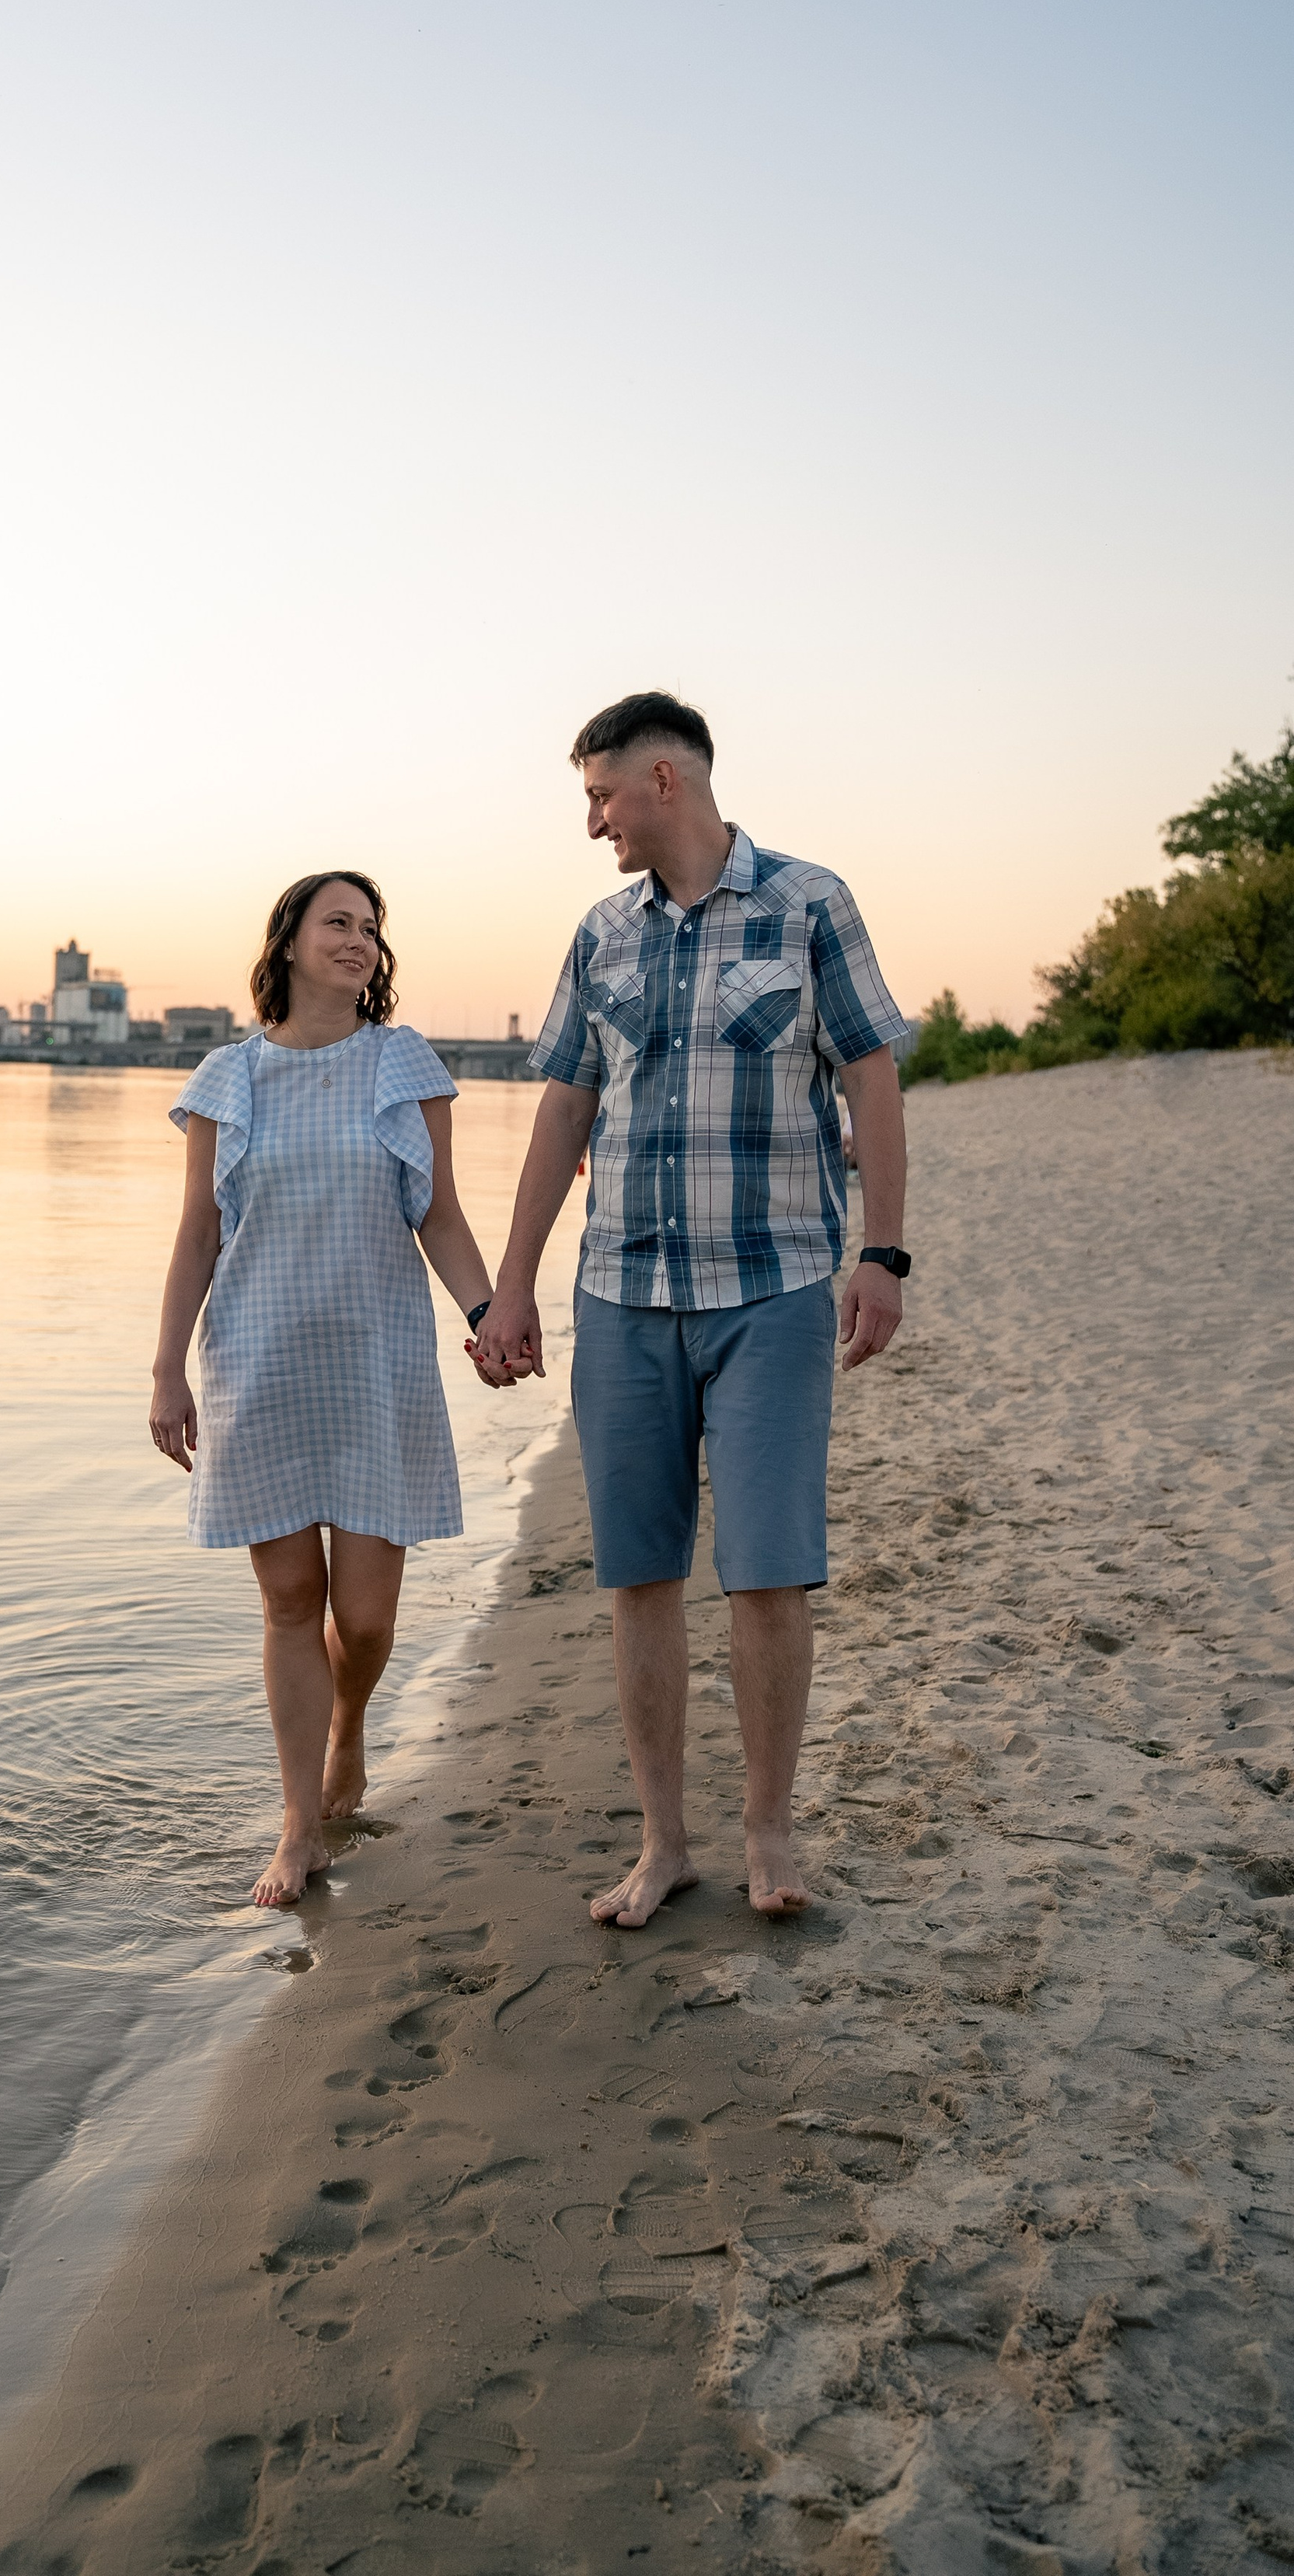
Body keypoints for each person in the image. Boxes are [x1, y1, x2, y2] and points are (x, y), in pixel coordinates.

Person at [473, 692, 912, 1925]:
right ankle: (664, 1843)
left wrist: (883, 1253)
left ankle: (770, 1838)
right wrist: (515, 1280)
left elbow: (872, 1075)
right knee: (639, 1577)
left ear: (665, 780)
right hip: (622, 1292)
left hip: (771, 1288)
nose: (593, 822)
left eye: (600, 796)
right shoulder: (599, 934)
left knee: (769, 1574)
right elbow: (562, 1107)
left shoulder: (809, 902)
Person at [151, 871, 499, 1909]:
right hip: (257, 1360)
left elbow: (437, 1214)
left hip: (377, 1360)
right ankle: (299, 1824)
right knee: (291, 1601)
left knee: (370, 1615)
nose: (359, 940)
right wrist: (166, 1370)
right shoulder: (229, 1076)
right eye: (338, 923)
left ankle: (350, 1728)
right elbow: (198, 1234)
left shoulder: (403, 1062)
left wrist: (487, 1318)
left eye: (370, 927)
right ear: (291, 940)